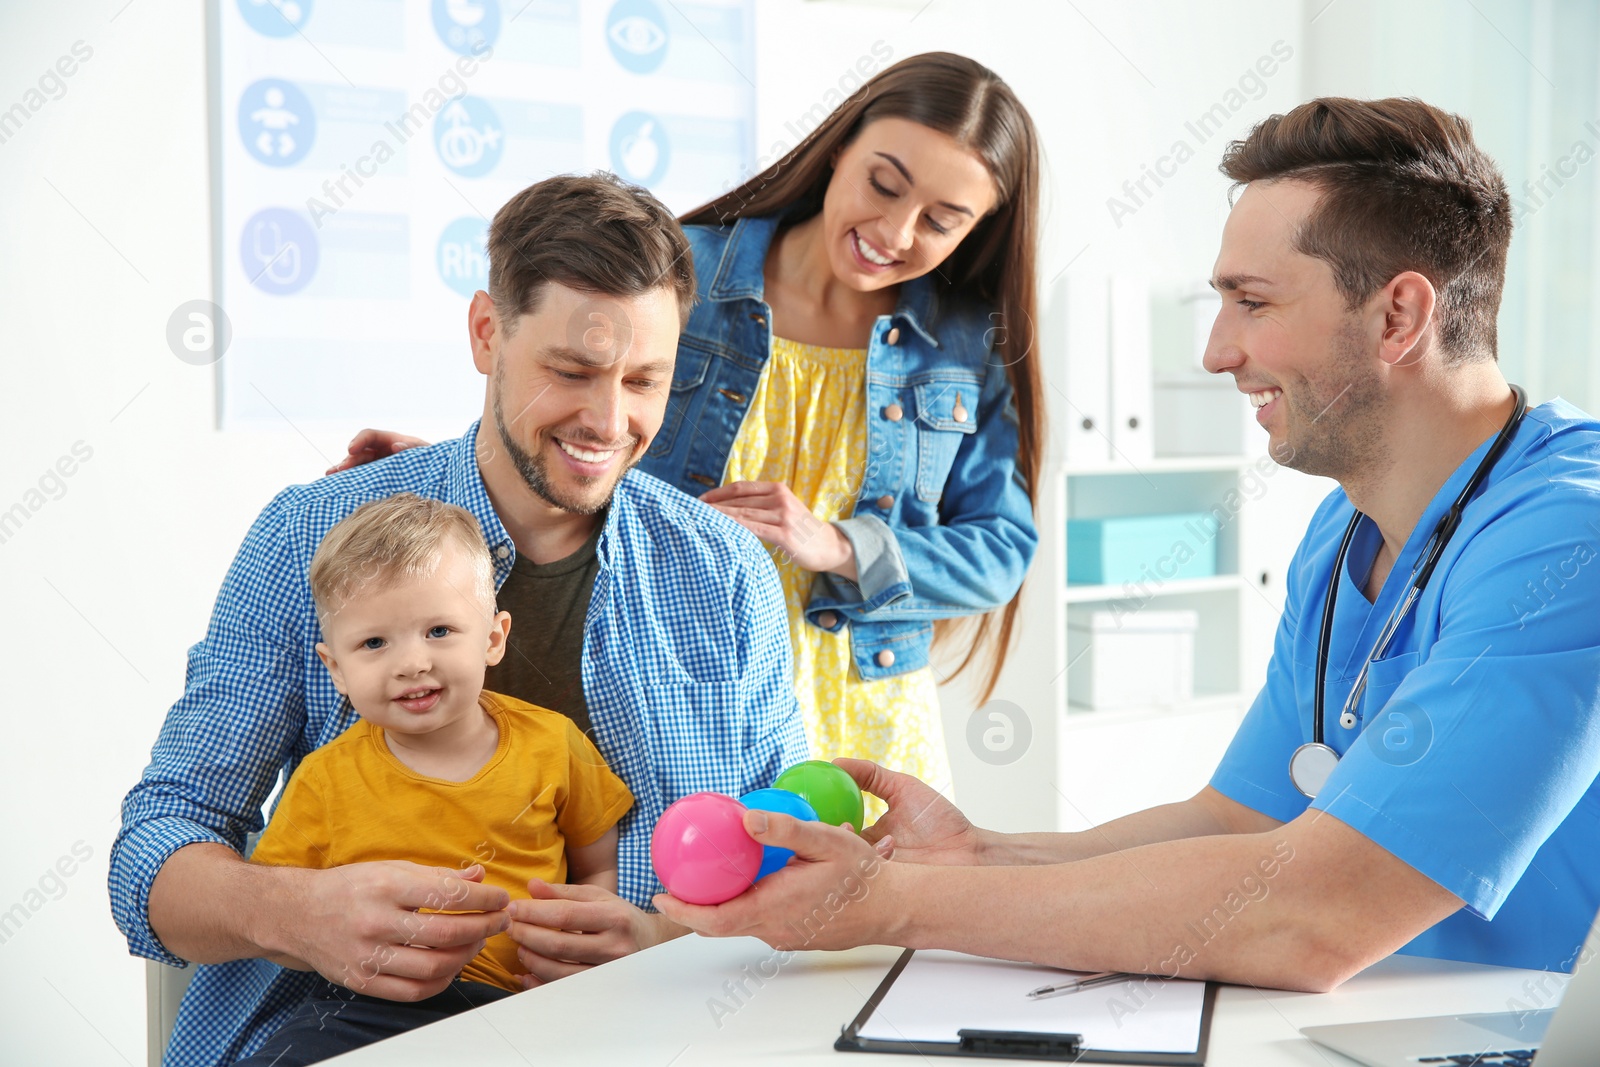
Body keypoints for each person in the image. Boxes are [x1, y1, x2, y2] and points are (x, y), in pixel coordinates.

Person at [654, 97, 1600, 989]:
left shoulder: (1568, 537)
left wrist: (892, 902)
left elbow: (1314, 913)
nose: (1217, 350)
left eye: (1253, 303)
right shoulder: (1345, 533)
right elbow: (1240, 817)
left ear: (1399, 316)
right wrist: (979, 853)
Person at [110, 173, 809, 1067]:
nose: (608, 419)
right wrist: (299, 913)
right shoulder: (309, 536)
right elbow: (155, 849)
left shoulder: (727, 576)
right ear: (487, 333)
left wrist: (662, 941)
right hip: (343, 1028)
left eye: (645, 381)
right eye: (571, 371)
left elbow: (788, 862)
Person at [333, 53, 1045, 809]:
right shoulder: (689, 269)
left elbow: (1001, 550)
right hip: (683, 672)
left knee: (863, 918)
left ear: (979, 228)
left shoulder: (966, 341)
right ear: (840, 146)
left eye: (941, 221)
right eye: (883, 183)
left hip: (867, 709)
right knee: (668, 899)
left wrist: (838, 545)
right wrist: (437, 478)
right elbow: (568, 418)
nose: (894, 231)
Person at [239, 493, 634, 1066]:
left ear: (493, 638)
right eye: (374, 643)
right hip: (368, 1008)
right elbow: (290, 924)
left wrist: (581, 945)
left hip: (523, 1004)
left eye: (440, 630)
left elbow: (594, 857)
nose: (412, 663)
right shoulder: (324, 779)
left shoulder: (552, 743)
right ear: (337, 670)